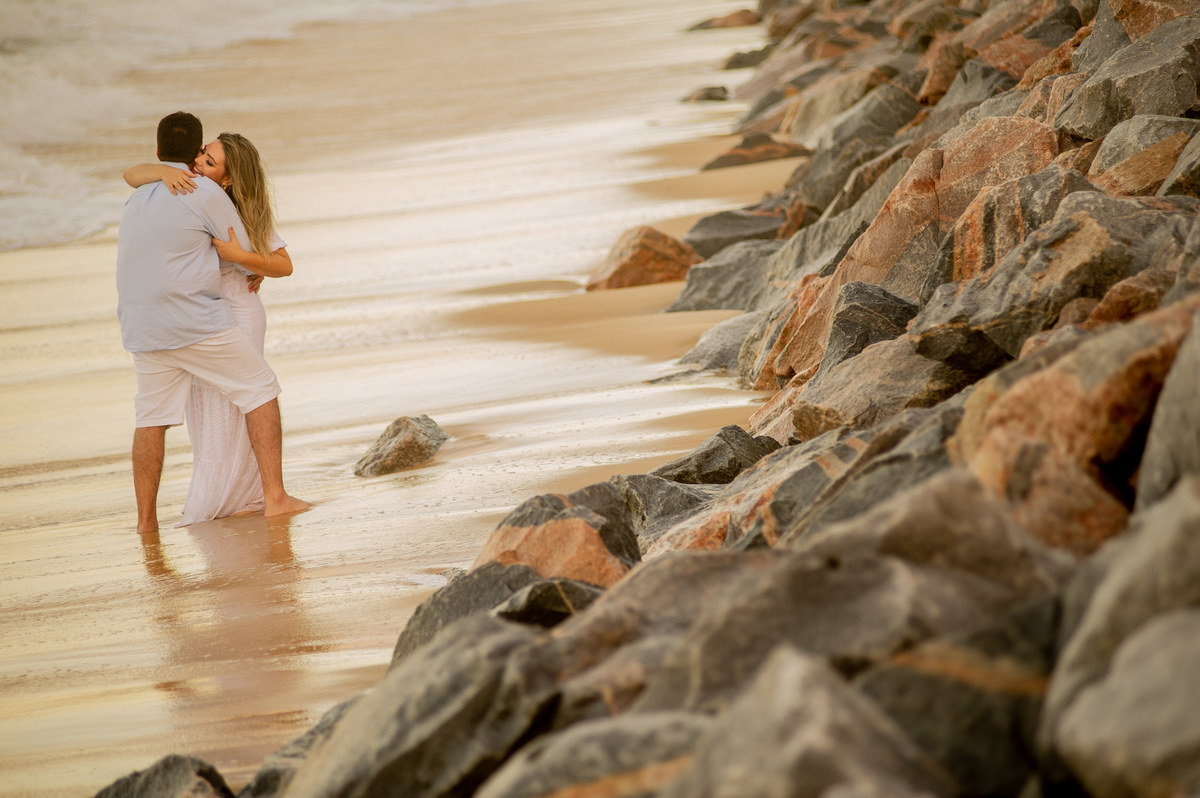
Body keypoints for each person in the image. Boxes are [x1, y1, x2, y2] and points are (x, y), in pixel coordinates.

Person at [116, 111, 308, 533]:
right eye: (202, 155)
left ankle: (145, 523)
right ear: (194, 154)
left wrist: (250, 260)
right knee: (260, 390)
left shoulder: (139, 194)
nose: (203, 163)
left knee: (151, 418)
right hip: (193, 320)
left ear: (158, 151)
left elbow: (130, 174)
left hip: (142, 327)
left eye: (211, 159)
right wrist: (248, 259)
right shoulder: (203, 193)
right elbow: (242, 247)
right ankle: (274, 497)